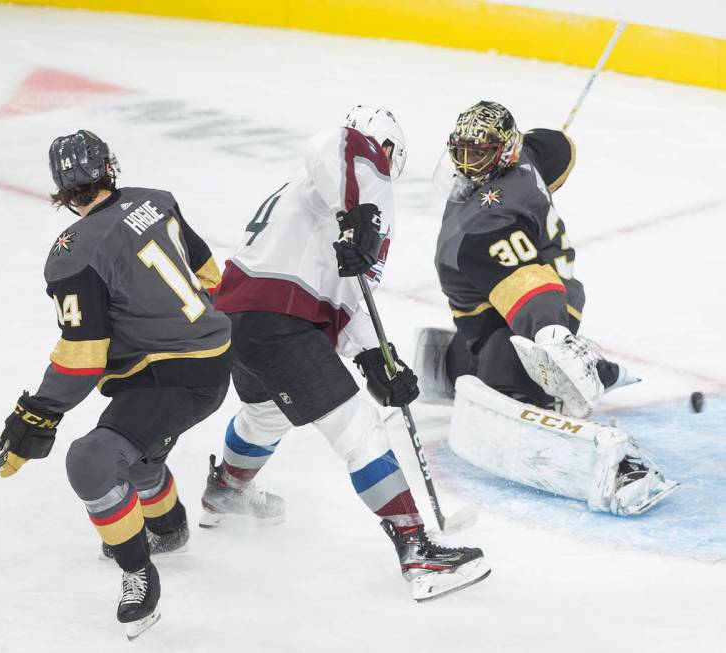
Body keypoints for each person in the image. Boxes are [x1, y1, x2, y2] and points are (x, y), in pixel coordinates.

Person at [199, 106, 490, 601]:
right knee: (359, 432)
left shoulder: (314, 199)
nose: (383, 166)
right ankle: (417, 549)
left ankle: (226, 490)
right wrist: (364, 215)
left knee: (265, 415)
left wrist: (377, 356)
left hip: (238, 319)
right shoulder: (353, 165)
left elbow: (347, 296)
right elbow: (336, 142)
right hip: (279, 320)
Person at [0, 130, 232, 638]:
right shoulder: (157, 199)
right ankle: (168, 528)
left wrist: (37, 413)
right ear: (109, 169)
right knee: (137, 444)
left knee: (94, 459)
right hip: (204, 363)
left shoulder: (72, 252)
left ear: (61, 189)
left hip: (172, 377)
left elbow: (83, 359)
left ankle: (138, 571)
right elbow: (210, 275)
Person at [421, 101, 678, 515]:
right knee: (490, 334)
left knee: (505, 354)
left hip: (530, 315)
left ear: (503, 151)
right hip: (511, 300)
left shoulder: (491, 225)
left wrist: (551, 338)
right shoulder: (526, 157)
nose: (468, 166)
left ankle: (527, 389)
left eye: (479, 154)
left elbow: (528, 287)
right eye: (461, 152)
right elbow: (560, 148)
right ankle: (477, 357)